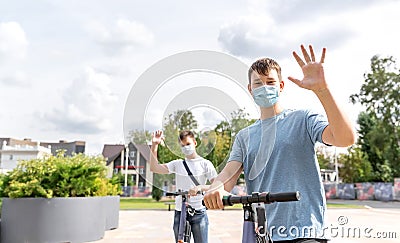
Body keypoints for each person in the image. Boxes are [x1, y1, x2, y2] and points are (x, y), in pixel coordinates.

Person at [203, 44, 356, 243]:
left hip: (305, 232)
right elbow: (227, 175)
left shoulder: (303, 119)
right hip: (263, 234)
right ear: (250, 89)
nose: (264, 87)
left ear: (281, 86)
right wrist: (216, 188)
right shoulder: (244, 136)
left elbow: (345, 139)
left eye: (270, 81)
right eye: (258, 83)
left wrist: (322, 91)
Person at [150, 129, 218, 243]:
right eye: (182, 146)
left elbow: (217, 186)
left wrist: (200, 187)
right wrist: (154, 145)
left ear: (195, 143)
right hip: (180, 212)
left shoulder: (205, 164)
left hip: (199, 212)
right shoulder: (177, 164)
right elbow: (154, 168)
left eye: (188, 144)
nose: (185, 147)